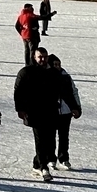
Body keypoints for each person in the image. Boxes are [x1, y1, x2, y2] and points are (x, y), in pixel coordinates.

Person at [13, 46, 62, 180]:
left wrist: (74, 107)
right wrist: (20, 109)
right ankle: (43, 168)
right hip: (35, 112)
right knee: (41, 141)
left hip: (51, 111)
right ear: (34, 57)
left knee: (50, 142)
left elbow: (64, 91)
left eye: (45, 56)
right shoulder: (26, 72)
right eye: (40, 56)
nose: (43, 59)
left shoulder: (53, 73)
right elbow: (18, 92)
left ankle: (36, 165)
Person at [48, 52, 83, 170]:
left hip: (66, 111)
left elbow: (74, 92)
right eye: (55, 64)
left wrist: (77, 107)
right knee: (50, 136)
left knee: (64, 136)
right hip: (52, 111)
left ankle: (63, 158)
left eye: (59, 64)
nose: (58, 66)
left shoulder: (66, 77)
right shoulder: (47, 77)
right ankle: (51, 158)